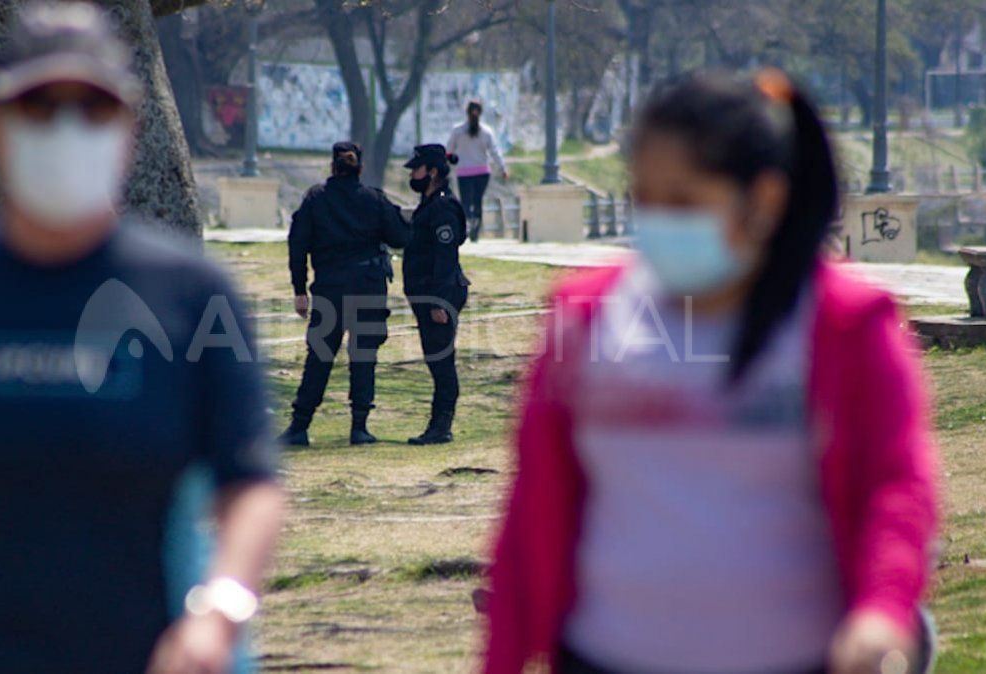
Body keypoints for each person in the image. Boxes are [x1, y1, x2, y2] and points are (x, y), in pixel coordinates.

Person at [0, 5, 285, 674]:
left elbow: (251, 485)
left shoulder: (191, 293)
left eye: (92, 109)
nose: (66, 130)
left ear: (130, 128)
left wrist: (221, 612)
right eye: (38, 108)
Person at [485, 70, 939, 674]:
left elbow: (897, 485)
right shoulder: (584, 316)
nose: (658, 221)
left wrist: (881, 610)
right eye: (644, 198)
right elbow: (530, 515)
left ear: (764, 200)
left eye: (685, 202)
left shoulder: (846, 324)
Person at [279, 141, 410, 447]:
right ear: (360, 168)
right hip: (368, 286)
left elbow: (297, 244)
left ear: (332, 167)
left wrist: (299, 289)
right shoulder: (374, 199)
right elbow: (400, 236)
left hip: (329, 288)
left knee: (320, 357)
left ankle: (299, 426)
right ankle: (359, 427)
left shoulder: (315, 199)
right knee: (363, 356)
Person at [402, 144, 471, 445]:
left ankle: (441, 426)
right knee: (435, 359)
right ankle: (438, 425)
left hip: (440, 296)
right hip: (427, 295)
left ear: (431, 172)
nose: (412, 174)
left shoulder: (442, 207)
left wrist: (438, 302)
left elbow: (445, 257)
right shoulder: (429, 204)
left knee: (442, 362)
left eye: (416, 169)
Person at [446, 100, 508, 243]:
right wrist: (502, 167)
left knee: (466, 202)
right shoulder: (486, 132)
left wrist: (447, 164)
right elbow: (494, 151)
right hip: (482, 172)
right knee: (477, 200)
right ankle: (476, 228)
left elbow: (449, 150)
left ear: (467, 112)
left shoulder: (458, 131)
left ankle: (468, 224)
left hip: (464, 172)